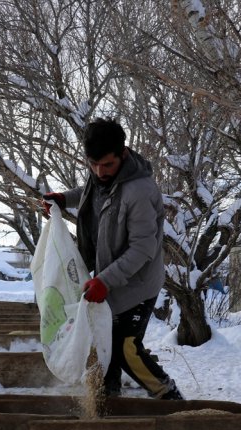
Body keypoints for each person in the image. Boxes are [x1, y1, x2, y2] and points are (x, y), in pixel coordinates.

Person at [42, 118, 183, 400]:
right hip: (109, 280)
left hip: (137, 284)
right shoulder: (102, 176)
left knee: (124, 349)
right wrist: (63, 199)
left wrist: (104, 281)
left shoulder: (140, 191)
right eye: (93, 164)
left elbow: (142, 249)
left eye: (107, 165)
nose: (99, 171)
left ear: (124, 154)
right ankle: (110, 405)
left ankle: (171, 401)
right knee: (103, 344)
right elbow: (91, 194)